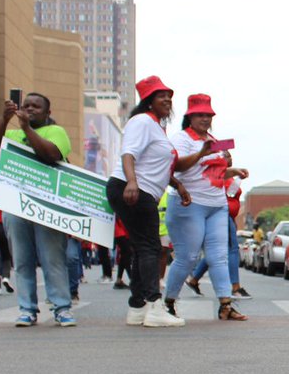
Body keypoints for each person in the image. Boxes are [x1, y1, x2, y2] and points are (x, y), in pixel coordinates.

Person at [0, 91, 78, 327]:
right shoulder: (12, 133)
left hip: (46, 207)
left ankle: (61, 308)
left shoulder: (56, 131)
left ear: (48, 112)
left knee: (52, 259)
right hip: (16, 205)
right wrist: (4, 119)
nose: (30, 109)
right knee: (22, 260)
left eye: (36, 106)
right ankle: (27, 309)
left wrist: (27, 129)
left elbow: (50, 155)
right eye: (26, 106)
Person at [163, 93, 250, 322]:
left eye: (208, 115)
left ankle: (226, 305)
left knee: (219, 256)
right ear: (190, 117)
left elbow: (211, 172)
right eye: (200, 115)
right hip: (190, 203)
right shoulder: (182, 138)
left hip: (217, 205)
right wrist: (203, 152)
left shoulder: (213, 140)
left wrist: (233, 171)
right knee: (188, 256)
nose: (205, 118)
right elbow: (176, 166)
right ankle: (168, 302)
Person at [107, 75, 185, 327]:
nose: (167, 100)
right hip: (133, 189)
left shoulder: (155, 126)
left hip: (138, 189)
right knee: (150, 248)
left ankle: (138, 307)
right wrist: (132, 182)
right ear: (148, 101)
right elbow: (128, 153)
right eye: (161, 96)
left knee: (142, 248)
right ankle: (154, 305)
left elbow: (155, 166)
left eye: (169, 96)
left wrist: (178, 185)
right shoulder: (142, 121)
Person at [188, 170, 251, 300]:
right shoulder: (218, 174)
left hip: (225, 215)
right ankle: (235, 287)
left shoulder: (225, 174)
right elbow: (227, 193)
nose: (230, 160)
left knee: (216, 251)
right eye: (228, 159)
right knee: (232, 249)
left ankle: (194, 279)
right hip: (223, 213)